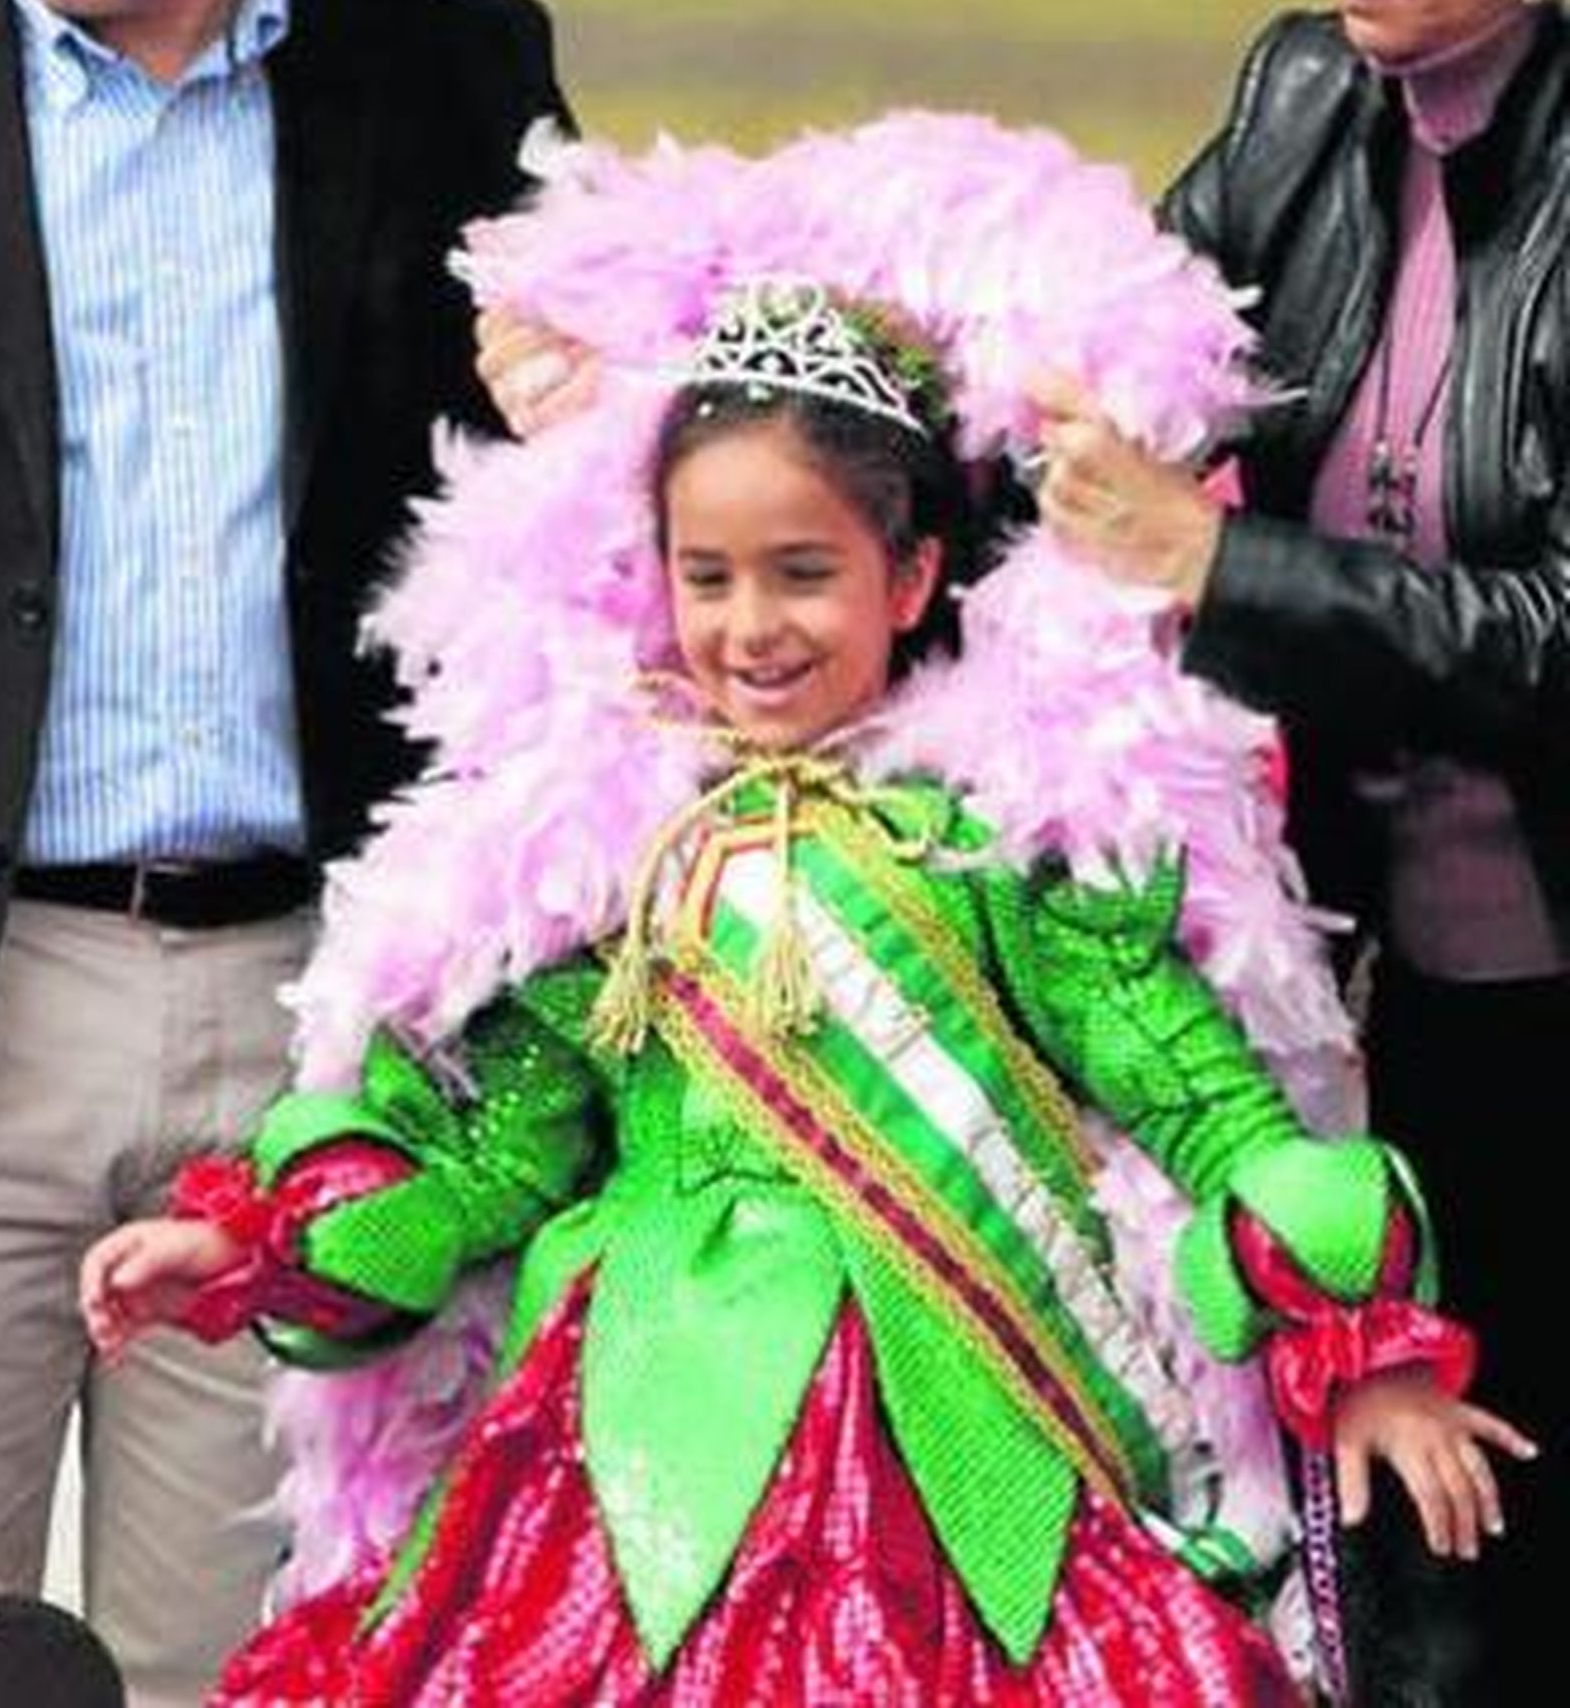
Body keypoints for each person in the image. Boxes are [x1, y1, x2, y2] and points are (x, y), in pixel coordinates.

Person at [79, 114, 1531, 1706]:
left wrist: (1369, 1358)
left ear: (912, 580)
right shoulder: (620, 855)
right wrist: (254, 1236)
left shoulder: (1012, 843)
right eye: (709, 577)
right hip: (628, 1465)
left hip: (965, 1463)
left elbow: (1200, 1099)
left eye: (802, 573)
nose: (750, 626)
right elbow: (489, 1149)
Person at [0, 0, 569, 1699]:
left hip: (311, 1014)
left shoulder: (459, 70)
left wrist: (596, 419)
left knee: (223, 1662)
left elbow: (577, 533)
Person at [1020, 0, 1570, 1699]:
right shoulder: (1294, 104)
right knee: (1404, 1579)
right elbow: (1076, 361)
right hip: (1379, 1006)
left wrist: (1218, 568)